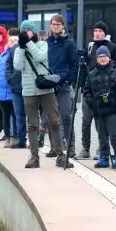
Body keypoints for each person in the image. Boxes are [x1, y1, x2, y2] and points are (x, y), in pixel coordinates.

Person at [13, 20, 71, 169]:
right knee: (32, 125)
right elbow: (18, 66)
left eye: (29, 30)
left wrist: (29, 43)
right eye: (24, 30)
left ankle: (60, 155)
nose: (26, 33)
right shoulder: (19, 48)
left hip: (45, 89)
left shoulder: (43, 44)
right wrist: (21, 47)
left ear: (34, 32)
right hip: (28, 90)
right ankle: (34, 157)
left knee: (54, 121)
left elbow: (39, 57)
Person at [78, 20, 116, 160]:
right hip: (89, 88)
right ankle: (85, 148)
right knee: (86, 120)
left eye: (100, 31)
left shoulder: (112, 47)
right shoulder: (90, 46)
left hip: (104, 90)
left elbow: (115, 67)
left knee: (100, 121)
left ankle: (102, 149)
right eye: (95, 31)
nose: (97, 33)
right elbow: (86, 67)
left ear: (105, 33)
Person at [83, 46, 116, 168]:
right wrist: (92, 104)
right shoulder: (92, 73)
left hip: (113, 108)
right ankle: (104, 156)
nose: (102, 59)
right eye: (100, 57)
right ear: (97, 59)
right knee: (102, 135)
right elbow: (87, 91)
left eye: (104, 56)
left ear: (109, 57)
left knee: (114, 134)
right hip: (98, 110)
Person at [47, 14, 78, 156]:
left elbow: (75, 65)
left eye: (58, 24)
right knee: (51, 118)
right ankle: (55, 147)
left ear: (63, 26)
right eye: (53, 24)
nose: (55, 26)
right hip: (49, 85)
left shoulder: (69, 43)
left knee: (66, 116)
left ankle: (70, 147)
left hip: (64, 85)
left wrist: (67, 80)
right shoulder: (46, 43)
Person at [5, 31, 27, 149]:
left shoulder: (32, 47)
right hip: (16, 86)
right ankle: (21, 139)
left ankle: (35, 139)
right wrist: (10, 79)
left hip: (30, 87)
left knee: (32, 115)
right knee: (19, 114)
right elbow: (8, 64)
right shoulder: (14, 49)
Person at [0, 34, 16, 147]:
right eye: (11, 40)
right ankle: (7, 137)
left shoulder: (19, 54)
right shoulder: (2, 55)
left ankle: (15, 137)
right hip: (2, 89)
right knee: (5, 115)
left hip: (13, 89)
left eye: (15, 40)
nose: (12, 42)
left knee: (15, 114)